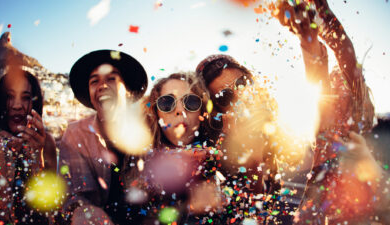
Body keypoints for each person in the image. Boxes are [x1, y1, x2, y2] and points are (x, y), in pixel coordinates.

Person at [274, 0, 389, 223]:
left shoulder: (366, 130)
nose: (338, 90)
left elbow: (348, 61)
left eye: (344, 85)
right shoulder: (325, 134)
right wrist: (308, 39)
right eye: (333, 83)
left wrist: (325, 20)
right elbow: (318, 78)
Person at [58, 50, 148, 224]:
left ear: (128, 91)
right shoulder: (76, 134)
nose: (102, 86)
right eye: (94, 81)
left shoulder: (150, 129)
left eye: (111, 78)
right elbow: (74, 196)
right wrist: (85, 213)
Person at [196, 55, 283, 224]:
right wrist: (252, 162)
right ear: (215, 110)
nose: (240, 97)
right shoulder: (212, 152)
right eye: (224, 96)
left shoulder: (269, 127)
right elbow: (250, 216)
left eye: (243, 84)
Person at [143, 72, 222, 224]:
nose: (180, 110)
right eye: (167, 103)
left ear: (202, 111)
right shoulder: (135, 162)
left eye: (191, 102)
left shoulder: (221, 158)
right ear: (156, 112)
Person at [0, 67, 57, 224]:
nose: (17, 106)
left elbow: (51, 205)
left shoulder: (47, 143)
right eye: (9, 97)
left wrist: (36, 158)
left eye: (25, 97)